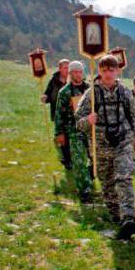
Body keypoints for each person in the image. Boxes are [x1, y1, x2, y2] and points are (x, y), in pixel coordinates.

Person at [76, 55, 135, 240]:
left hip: (123, 141)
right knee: (107, 183)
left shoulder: (124, 92)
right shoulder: (91, 94)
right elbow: (77, 122)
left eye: (111, 70)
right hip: (100, 145)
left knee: (124, 178)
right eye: (104, 70)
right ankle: (117, 216)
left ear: (117, 71)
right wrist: (87, 121)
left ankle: (129, 217)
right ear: (99, 71)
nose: (108, 73)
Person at [54, 61, 94, 202]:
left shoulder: (90, 89)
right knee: (79, 161)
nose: (78, 74)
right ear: (70, 73)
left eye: (80, 71)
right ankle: (84, 190)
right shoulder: (64, 92)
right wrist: (59, 133)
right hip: (74, 131)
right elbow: (59, 114)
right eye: (75, 72)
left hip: (91, 131)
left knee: (95, 159)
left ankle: (90, 176)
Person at [42, 59, 70, 167]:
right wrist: (45, 98)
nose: (67, 70)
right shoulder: (54, 80)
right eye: (65, 68)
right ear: (60, 68)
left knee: (68, 136)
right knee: (61, 135)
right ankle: (65, 158)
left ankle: (68, 158)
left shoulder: (72, 79)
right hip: (57, 112)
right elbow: (48, 94)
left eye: (68, 67)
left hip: (70, 114)